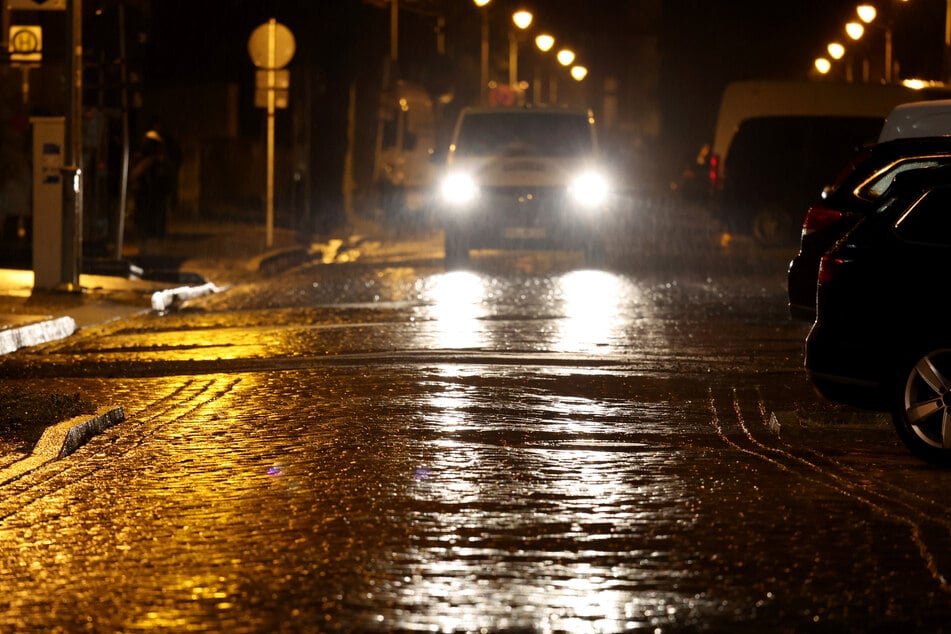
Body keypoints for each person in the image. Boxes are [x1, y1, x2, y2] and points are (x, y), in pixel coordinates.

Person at [130, 128, 171, 239]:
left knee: (156, 217)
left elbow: (165, 176)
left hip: (157, 194)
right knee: (144, 218)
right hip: (144, 193)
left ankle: (155, 237)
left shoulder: (161, 159)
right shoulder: (142, 158)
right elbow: (134, 174)